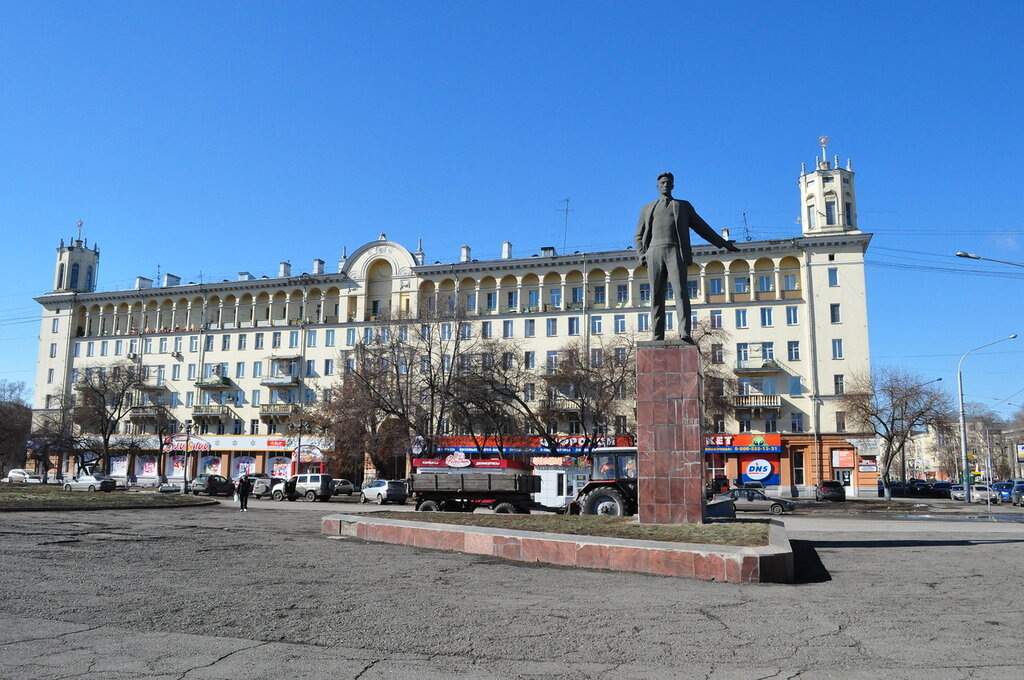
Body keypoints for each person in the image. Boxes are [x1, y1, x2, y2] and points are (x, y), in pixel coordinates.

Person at [634, 172, 740, 342]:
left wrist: (723, 243)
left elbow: (702, 227)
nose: (665, 185)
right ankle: (657, 335)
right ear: (657, 186)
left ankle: (684, 333)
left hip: (676, 252)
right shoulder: (648, 208)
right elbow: (638, 235)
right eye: (662, 182)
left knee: (681, 293)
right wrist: (641, 254)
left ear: (673, 186)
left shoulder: (683, 206)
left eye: (668, 182)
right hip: (654, 252)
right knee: (656, 295)